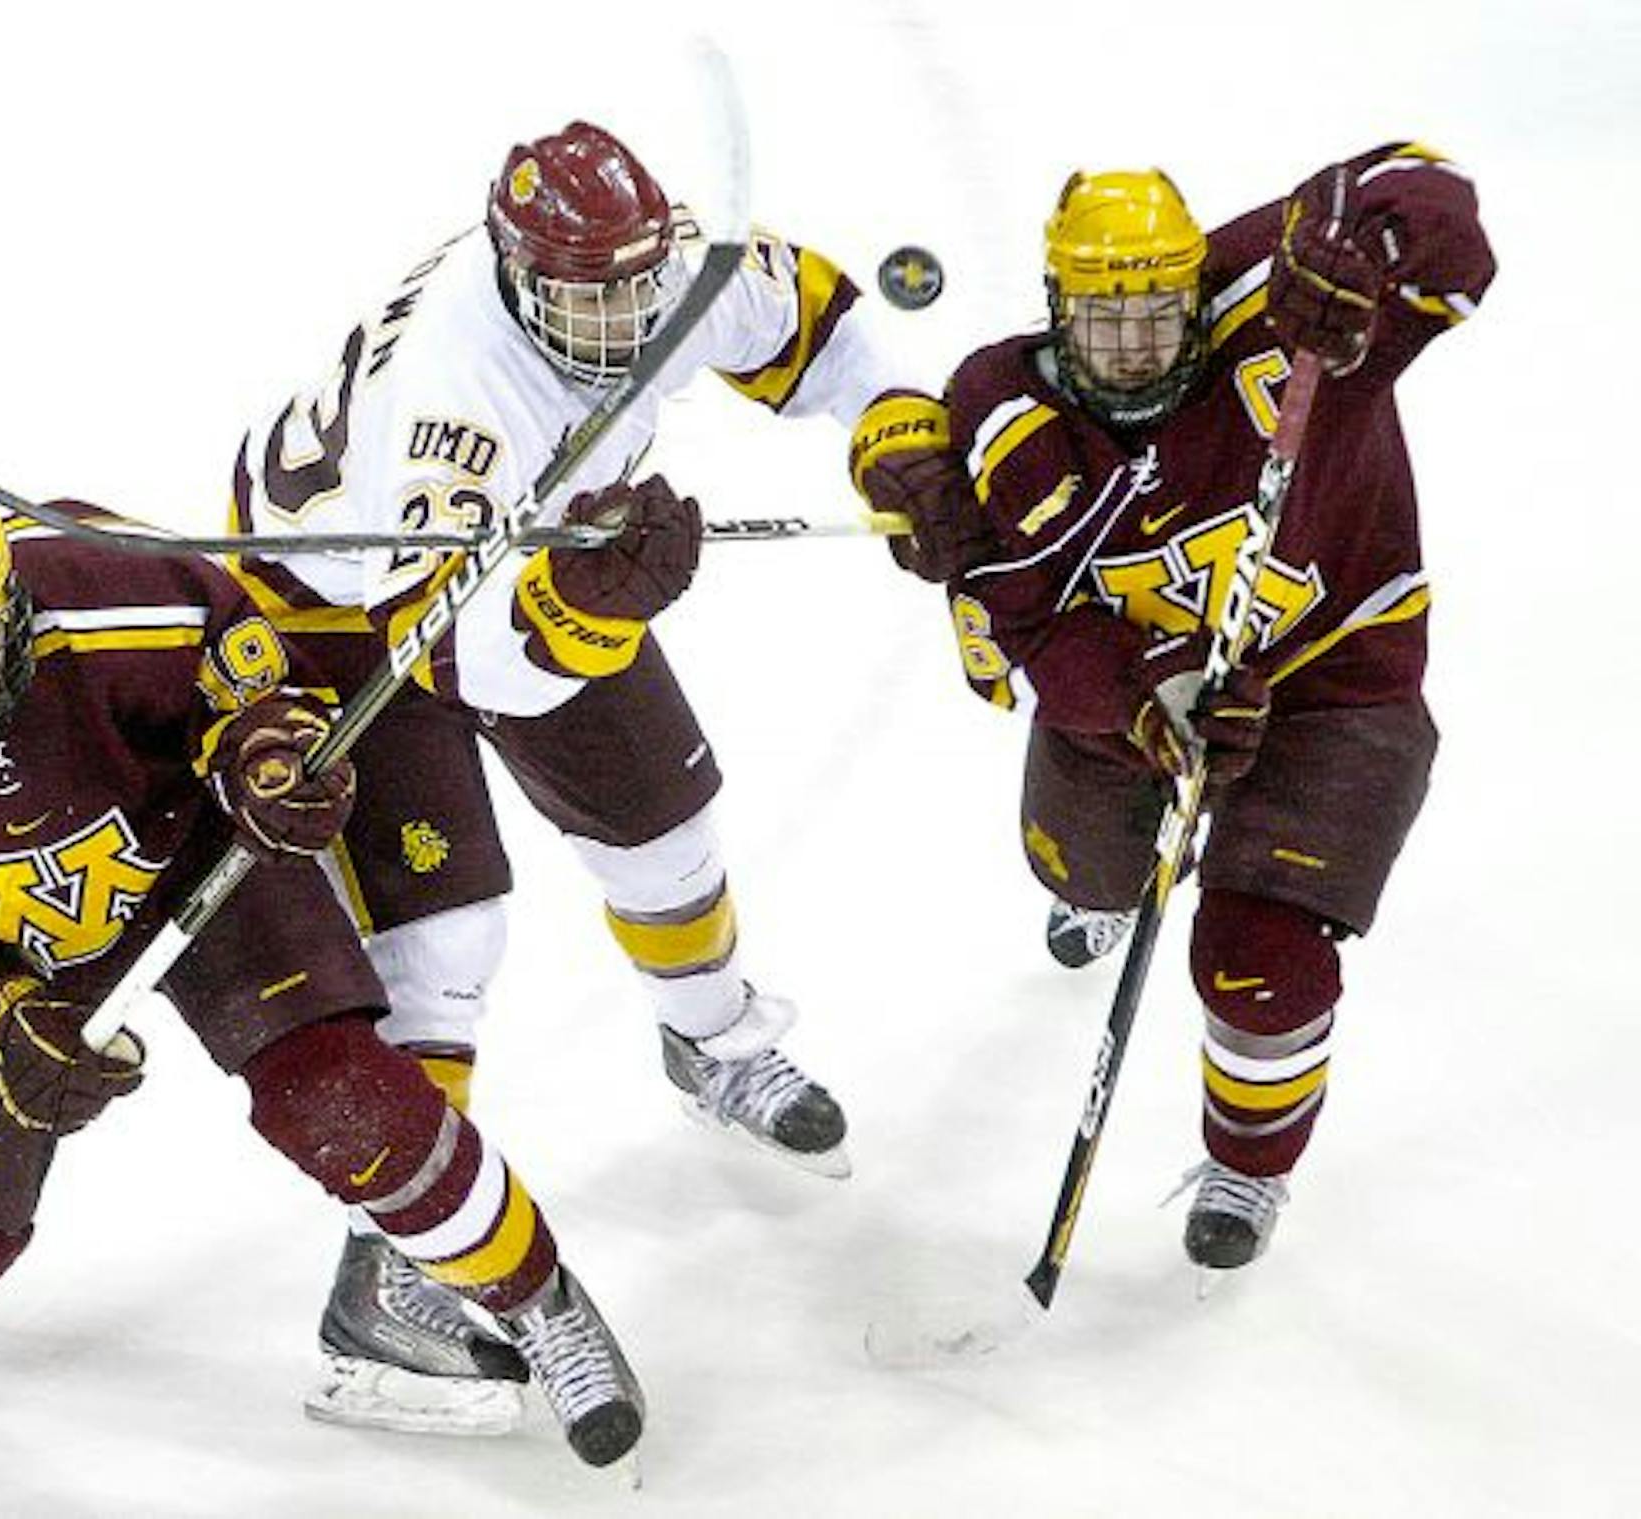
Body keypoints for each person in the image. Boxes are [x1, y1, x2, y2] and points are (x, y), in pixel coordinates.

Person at [0, 477, 647, 1470]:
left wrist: (266, 758)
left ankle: (541, 1300)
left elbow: (258, 686)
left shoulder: (121, 588)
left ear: (8, 593)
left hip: (190, 857)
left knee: (342, 1101)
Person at [212, 118, 918, 1428]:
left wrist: (898, 434)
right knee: (446, 933)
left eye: (632, 285)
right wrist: (587, 606)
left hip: (539, 556)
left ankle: (712, 1041)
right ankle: (396, 1273)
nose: (617, 315)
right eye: (582, 293)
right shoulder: (456, 396)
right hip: (339, 600)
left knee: (664, 823)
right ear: (517, 269)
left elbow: (817, 323)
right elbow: (463, 658)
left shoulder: (669, 265)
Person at [863, 145, 1495, 1269]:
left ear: (1199, 288)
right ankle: (1098, 886)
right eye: (1100, 322)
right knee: (1082, 870)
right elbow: (1025, 631)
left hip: (1335, 673)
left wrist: (1370, 242)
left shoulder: (1278, 298)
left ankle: (1249, 1168)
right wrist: (1154, 694)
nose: (1134, 346)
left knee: (1264, 962)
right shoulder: (1005, 415)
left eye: (1159, 313)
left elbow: (1435, 201)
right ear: (1055, 308)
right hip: (1138, 693)